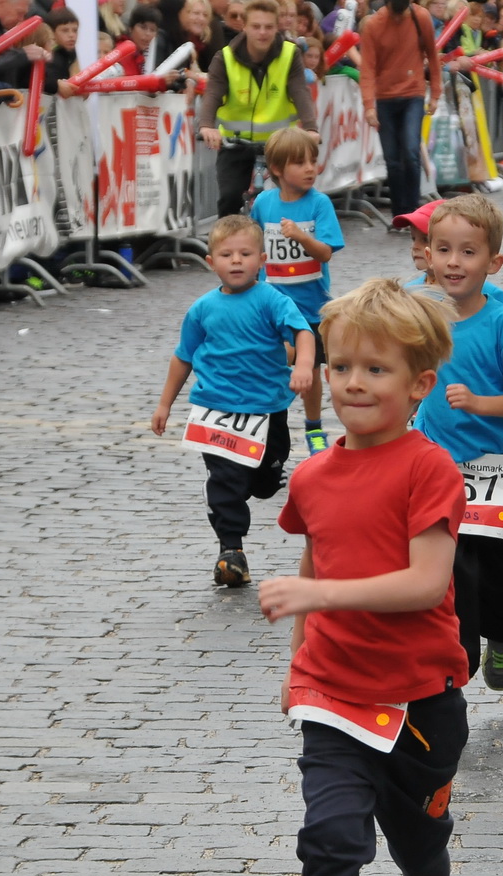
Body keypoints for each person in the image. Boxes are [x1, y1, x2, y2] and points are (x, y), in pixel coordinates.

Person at [256, 278, 469, 876]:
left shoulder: (429, 469)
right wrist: (298, 663)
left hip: (420, 702)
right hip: (333, 693)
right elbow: (316, 559)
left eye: (375, 370)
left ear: (418, 384)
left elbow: (424, 582)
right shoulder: (312, 475)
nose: (352, 382)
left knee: (420, 852)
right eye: (341, 366)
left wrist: (315, 597)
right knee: (329, 841)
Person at [151, 216, 316, 588]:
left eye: (245, 254)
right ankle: (231, 551)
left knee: (266, 479)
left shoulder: (272, 300)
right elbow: (183, 357)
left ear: (262, 260)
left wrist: (304, 365)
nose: (236, 261)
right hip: (215, 409)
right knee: (224, 482)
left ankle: (261, 477)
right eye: (227, 255)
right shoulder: (202, 309)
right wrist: (164, 405)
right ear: (211, 262)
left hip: (267, 409)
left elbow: (302, 332)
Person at [414, 195, 503, 690]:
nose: (454, 262)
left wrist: (478, 403)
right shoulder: (417, 310)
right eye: (444, 250)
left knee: (493, 573)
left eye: (468, 252)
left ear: (493, 262)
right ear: (428, 255)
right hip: (435, 461)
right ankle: (457, 660)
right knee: (451, 566)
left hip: (495, 466)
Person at [249, 127, 343, 455]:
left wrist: (302, 237)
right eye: (300, 163)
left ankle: (314, 426)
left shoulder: (319, 204)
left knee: (311, 370)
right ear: (277, 169)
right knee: (270, 364)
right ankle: (266, 424)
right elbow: (254, 244)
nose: (310, 169)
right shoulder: (264, 203)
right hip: (272, 306)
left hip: (310, 306)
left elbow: (326, 252)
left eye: (313, 162)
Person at [196, 0, 320, 218]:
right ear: (244, 26)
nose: (262, 32)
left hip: (279, 143)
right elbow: (213, 93)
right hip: (236, 142)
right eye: (256, 26)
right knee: (229, 197)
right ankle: (230, 237)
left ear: (277, 26)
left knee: (293, 194)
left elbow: (300, 91)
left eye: (268, 27)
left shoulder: (290, 55)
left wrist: (311, 128)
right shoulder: (225, 58)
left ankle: (295, 234)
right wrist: (206, 126)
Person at [359, 0, 440, 222]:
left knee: (411, 153)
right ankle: (399, 213)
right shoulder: (373, 25)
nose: (398, 16)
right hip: (385, 99)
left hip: (413, 94)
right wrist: (369, 106)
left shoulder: (420, 17)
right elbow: (367, 68)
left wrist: (435, 94)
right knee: (392, 160)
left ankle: (413, 212)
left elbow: (433, 55)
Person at [44, 5, 79, 91]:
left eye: (75, 30)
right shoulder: (49, 58)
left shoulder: (74, 56)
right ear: (51, 32)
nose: (71, 35)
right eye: (65, 30)